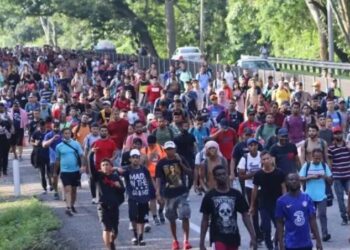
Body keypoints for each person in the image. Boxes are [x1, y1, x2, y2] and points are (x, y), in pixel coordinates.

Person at [199, 164, 257, 250]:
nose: (222, 176)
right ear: (214, 178)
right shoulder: (209, 196)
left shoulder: (236, 194)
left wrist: (253, 236)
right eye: (219, 175)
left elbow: (245, 215)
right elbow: (205, 220)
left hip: (233, 237)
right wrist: (201, 242)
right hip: (217, 237)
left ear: (227, 175)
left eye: (223, 174)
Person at [155, 141, 193, 250]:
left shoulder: (180, 158)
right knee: (171, 218)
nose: (170, 151)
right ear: (165, 150)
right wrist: (158, 192)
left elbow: (190, 172)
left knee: (185, 214)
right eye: (168, 149)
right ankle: (175, 240)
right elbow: (158, 178)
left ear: (175, 149)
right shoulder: (161, 163)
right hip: (168, 194)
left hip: (181, 192)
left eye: (172, 149)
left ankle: (186, 240)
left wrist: (181, 163)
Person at [249, 151, 286, 250]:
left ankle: (276, 243)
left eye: (267, 158)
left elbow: (283, 188)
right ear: (261, 161)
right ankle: (269, 246)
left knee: (279, 226)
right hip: (264, 204)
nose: (266, 161)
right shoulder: (258, 174)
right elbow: (255, 189)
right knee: (266, 228)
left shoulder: (279, 172)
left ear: (272, 159)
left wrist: (285, 201)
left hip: (277, 203)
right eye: (263, 159)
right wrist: (252, 205)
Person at [275, 173, 323, 250]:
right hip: (290, 244)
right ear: (287, 182)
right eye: (291, 179)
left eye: (296, 179)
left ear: (299, 182)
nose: (294, 181)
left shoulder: (307, 198)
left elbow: (313, 221)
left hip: (306, 244)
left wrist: (318, 241)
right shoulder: (281, 201)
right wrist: (281, 244)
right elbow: (279, 223)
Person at [118, 149, 155, 246]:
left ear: (140, 159)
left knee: (142, 219)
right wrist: (115, 169)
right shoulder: (127, 169)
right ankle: (135, 236)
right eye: (133, 157)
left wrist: (154, 193)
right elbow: (119, 171)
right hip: (133, 198)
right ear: (130, 159)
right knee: (133, 218)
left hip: (143, 197)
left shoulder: (144, 169)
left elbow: (150, 181)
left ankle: (141, 237)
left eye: (137, 157)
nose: (135, 159)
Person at [299, 148, 332, 242]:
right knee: (311, 215)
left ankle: (325, 233)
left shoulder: (324, 166)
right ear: (312, 157)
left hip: (322, 196)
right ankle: (313, 232)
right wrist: (311, 177)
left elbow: (330, 181)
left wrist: (324, 176)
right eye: (316, 158)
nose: (318, 160)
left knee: (322, 214)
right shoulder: (307, 165)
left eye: (319, 158)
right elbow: (300, 178)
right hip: (309, 196)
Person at [55, 128, 86, 216]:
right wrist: (55, 171)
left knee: (74, 191)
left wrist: (83, 166)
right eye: (65, 133)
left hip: (75, 171)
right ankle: (68, 207)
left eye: (68, 133)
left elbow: (81, 156)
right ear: (62, 135)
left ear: (71, 134)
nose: (67, 135)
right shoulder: (59, 146)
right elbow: (57, 159)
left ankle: (72, 205)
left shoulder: (76, 144)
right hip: (65, 171)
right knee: (67, 189)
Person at [237, 138, 263, 243]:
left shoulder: (262, 155)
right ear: (248, 147)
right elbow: (241, 176)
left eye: (255, 145)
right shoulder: (244, 158)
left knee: (265, 211)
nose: (253, 147)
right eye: (251, 145)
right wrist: (255, 174)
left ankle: (262, 231)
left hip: (263, 187)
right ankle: (256, 235)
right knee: (254, 212)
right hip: (250, 188)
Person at [96, 159, 125, 250]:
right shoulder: (99, 176)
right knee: (106, 228)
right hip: (103, 206)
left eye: (107, 164)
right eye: (103, 165)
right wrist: (91, 154)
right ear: (101, 167)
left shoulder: (115, 177)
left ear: (111, 166)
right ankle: (108, 248)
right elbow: (91, 168)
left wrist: (118, 186)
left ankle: (111, 241)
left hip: (114, 206)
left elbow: (122, 190)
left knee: (115, 231)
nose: (105, 166)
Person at [141, 135, 167, 224]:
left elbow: (165, 162)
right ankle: (155, 216)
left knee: (162, 198)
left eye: (152, 144)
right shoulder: (144, 150)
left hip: (161, 176)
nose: (150, 146)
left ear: (155, 142)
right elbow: (142, 164)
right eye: (149, 144)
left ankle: (161, 211)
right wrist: (148, 159)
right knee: (152, 198)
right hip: (149, 176)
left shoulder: (162, 149)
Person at [328, 127, 350, 225]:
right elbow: (330, 163)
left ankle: (348, 211)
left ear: (342, 134)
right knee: (340, 198)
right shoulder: (331, 148)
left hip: (348, 175)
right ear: (333, 135)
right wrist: (330, 175)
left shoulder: (348, 146)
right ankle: (344, 217)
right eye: (336, 133)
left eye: (339, 133)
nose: (338, 135)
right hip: (337, 176)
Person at [31, 120, 51, 193]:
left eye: (43, 126)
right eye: (40, 127)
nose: (42, 128)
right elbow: (31, 141)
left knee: (49, 171)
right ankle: (44, 187)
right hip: (39, 155)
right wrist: (35, 144)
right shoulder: (36, 133)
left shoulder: (49, 132)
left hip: (48, 154)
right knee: (42, 172)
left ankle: (51, 185)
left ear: (45, 125)